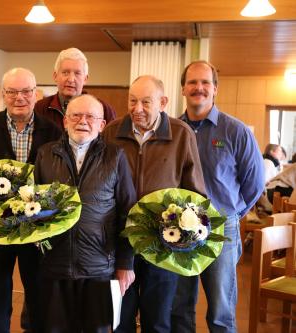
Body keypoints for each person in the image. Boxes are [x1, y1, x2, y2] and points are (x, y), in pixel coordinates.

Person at [0, 67, 62, 333]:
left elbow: (62, 178)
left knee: (40, 295)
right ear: (4, 94)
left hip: (37, 231)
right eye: (13, 91)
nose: (20, 97)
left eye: (26, 91)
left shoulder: (53, 132)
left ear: (35, 93)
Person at [102, 75, 206, 333]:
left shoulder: (181, 134)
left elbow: (195, 192)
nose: (137, 109)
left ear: (163, 102)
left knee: (158, 321)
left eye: (146, 102)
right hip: (119, 243)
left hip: (163, 244)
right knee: (120, 320)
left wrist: (187, 232)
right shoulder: (111, 132)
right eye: (133, 101)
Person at [171, 60, 265, 333]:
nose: (198, 88)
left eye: (205, 83)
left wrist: (232, 213)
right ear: (183, 89)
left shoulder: (236, 131)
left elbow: (254, 183)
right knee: (180, 308)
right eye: (192, 82)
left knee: (222, 311)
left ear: (215, 89)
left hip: (221, 230)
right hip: (179, 230)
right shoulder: (173, 130)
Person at [34, 94, 137, 332]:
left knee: (97, 328)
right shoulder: (45, 154)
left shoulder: (115, 156)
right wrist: (41, 247)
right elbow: (34, 208)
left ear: (102, 125)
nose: (83, 121)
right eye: (76, 115)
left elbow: (128, 213)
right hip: (55, 265)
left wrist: (125, 263)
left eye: (91, 116)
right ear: (65, 122)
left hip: (100, 267)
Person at [34, 47, 116, 129]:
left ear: (85, 79)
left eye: (77, 73)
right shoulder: (40, 109)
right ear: (55, 76)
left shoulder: (104, 110)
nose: (71, 79)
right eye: (65, 72)